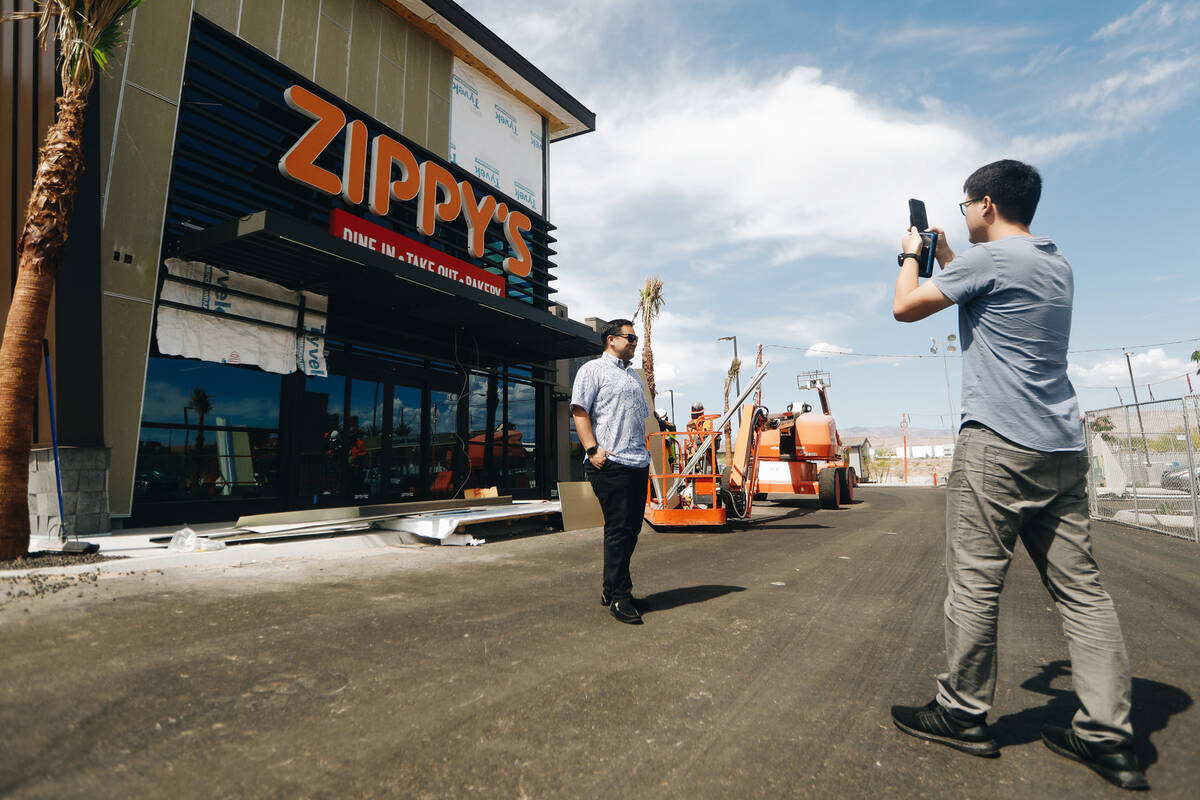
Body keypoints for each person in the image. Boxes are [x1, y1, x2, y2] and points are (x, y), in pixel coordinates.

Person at [888, 160, 1147, 791]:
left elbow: (904, 308)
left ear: (984, 205)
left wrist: (910, 257)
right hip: (1059, 446)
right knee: (1083, 592)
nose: (961, 217)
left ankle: (962, 713)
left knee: (975, 585)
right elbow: (991, 287)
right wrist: (950, 253)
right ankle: (1107, 736)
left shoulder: (988, 263)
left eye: (963, 208)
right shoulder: (1053, 261)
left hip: (997, 446)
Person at [570, 319, 652, 624]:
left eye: (635, 338)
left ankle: (610, 588)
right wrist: (593, 450)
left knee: (631, 530)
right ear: (610, 340)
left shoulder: (633, 378)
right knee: (618, 530)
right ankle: (621, 597)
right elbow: (580, 410)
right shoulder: (592, 370)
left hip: (637, 462)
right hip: (610, 462)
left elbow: (639, 418)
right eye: (629, 338)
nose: (634, 342)